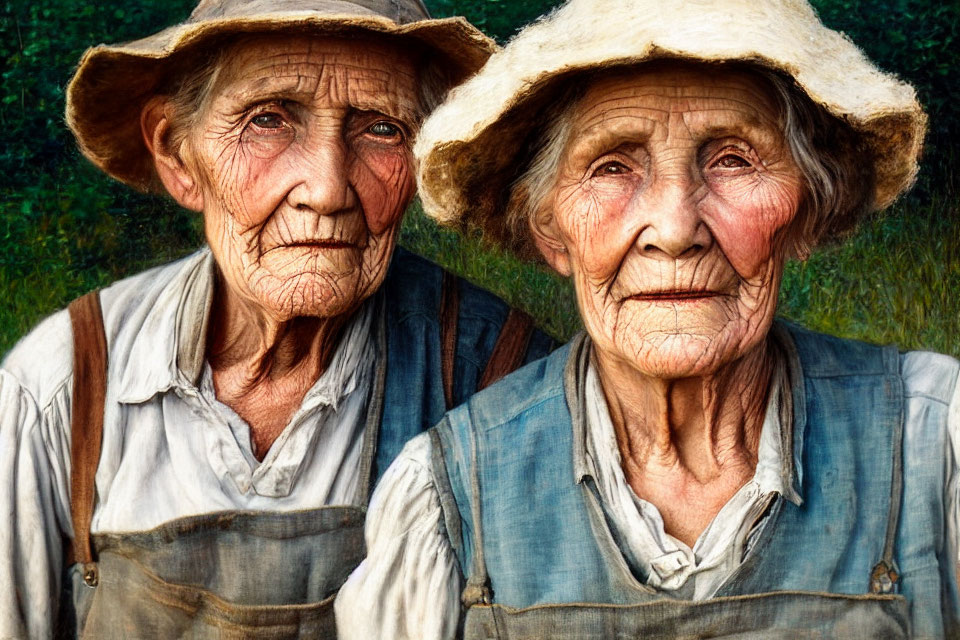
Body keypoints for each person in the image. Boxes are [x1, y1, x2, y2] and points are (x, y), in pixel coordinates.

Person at [337, 0, 958, 637]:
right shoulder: (447, 497)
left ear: (805, 211)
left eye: (734, 160)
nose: (675, 229)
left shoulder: (936, 439)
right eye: (612, 166)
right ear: (551, 229)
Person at [0, 0, 556, 637]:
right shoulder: (61, 389)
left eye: (381, 129)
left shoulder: (507, 381)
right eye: (267, 120)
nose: (326, 189)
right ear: (177, 155)